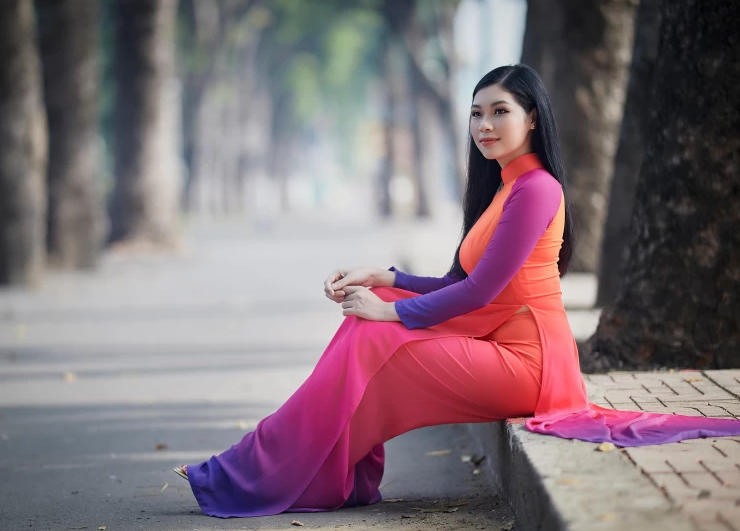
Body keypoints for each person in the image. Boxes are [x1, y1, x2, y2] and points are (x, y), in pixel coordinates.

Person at [173, 64, 740, 518]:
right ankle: (306, 467)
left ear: (533, 119)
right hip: (501, 344)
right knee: (369, 322)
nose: (485, 125)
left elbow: (481, 291)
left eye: (500, 112)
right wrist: (384, 280)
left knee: (375, 333)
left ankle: (262, 464)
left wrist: (388, 314)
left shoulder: (536, 190)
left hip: (532, 365)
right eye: (476, 114)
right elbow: (457, 283)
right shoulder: (504, 189)